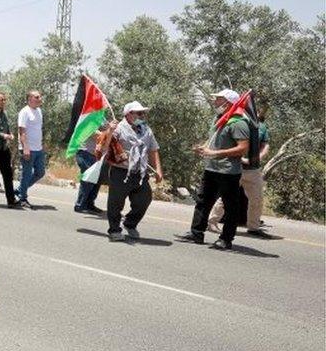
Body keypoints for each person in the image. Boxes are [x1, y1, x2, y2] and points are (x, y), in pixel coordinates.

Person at [175, 89, 251, 250]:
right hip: (211, 169)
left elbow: (243, 149)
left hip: (228, 172)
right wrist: (203, 148)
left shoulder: (238, 122)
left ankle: (226, 238)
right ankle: (196, 233)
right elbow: (216, 141)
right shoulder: (219, 119)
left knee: (230, 207)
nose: (215, 102)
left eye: (219, 100)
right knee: (203, 202)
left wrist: (215, 153)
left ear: (228, 103)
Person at [95, 102, 163, 241]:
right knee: (116, 203)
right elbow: (104, 148)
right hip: (121, 171)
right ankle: (114, 230)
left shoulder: (146, 129)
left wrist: (158, 169)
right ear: (128, 114)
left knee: (144, 199)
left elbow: (153, 149)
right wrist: (110, 132)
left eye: (143, 113)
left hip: (140, 172)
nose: (142, 116)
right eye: (138, 113)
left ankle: (130, 223)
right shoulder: (118, 128)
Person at [208, 113, 271, 238]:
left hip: (253, 170)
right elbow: (232, 144)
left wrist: (258, 158)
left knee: (257, 198)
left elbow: (265, 146)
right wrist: (241, 159)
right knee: (226, 198)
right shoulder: (239, 124)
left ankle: (253, 227)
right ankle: (212, 222)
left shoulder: (262, 127)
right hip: (236, 168)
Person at [15, 90, 45, 208]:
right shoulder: (24, 112)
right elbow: (22, 131)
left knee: (40, 172)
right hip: (28, 148)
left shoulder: (39, 111)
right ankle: (23, 198)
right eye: (37, 97)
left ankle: (19, 190)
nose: (40, 98)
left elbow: (38, 129)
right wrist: (25, 148)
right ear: (30, 99)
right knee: (26, 174)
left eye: (40, 96)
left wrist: (42, 145)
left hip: (38, 148)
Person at [73, 125, 106, 214]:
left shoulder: (103, 119)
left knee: (96, 180)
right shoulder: (90, 118)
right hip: (85, 153)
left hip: (96, 156)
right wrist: (109, 132)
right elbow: (96, 134)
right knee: (88, 179)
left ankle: (89, 204)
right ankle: (80, 205)